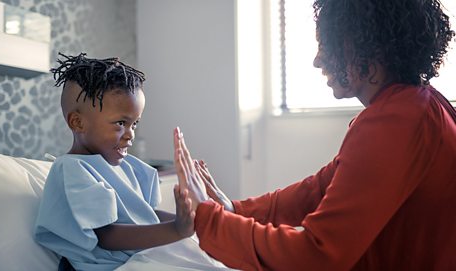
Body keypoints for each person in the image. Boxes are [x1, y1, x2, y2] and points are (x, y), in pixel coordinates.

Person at [172, 0, 456, 270]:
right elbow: (320, 189)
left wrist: (209, 218)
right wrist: (232, 208)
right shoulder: (423, 104)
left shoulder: (395, 121)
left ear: (368, 47)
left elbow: (316, 257)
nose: (317, 60)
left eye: (328, 45)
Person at [34, 53, 234, 271]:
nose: (131, 135)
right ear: (78, 122)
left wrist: (195, 218)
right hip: (113, 265)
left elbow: (147, 215)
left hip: (145, 256)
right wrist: (176, 229)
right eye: (121, 123)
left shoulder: (130, 167)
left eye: (134, 124)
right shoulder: (73, 168)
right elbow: (107, 235)